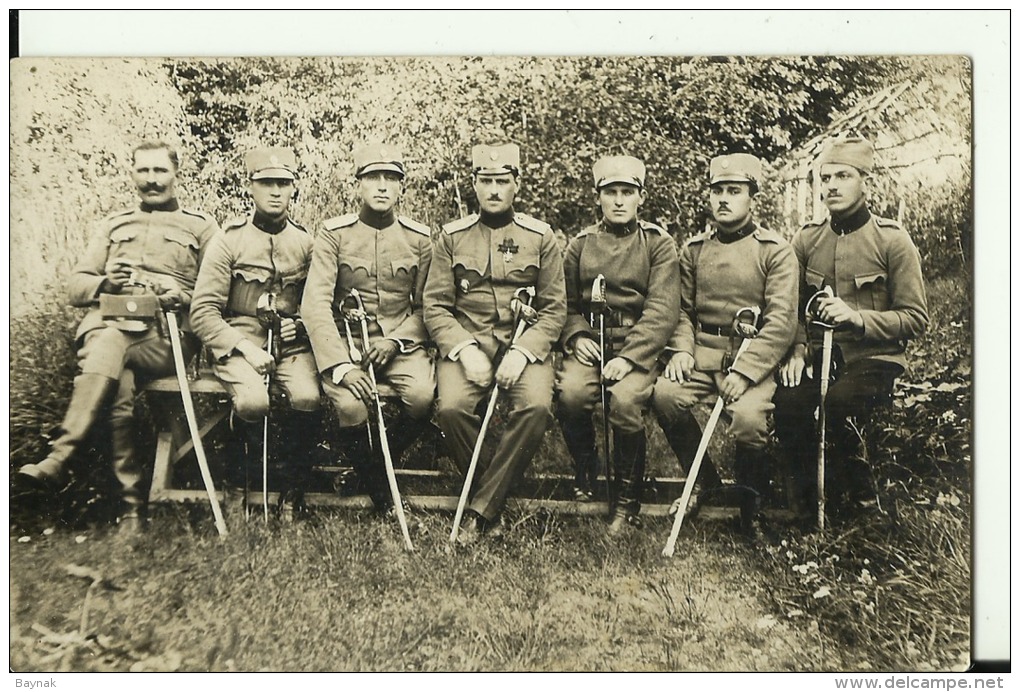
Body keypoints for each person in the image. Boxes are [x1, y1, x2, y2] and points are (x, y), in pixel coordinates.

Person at [13, 140, 219, 534]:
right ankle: (131, 512)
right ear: (133, 174)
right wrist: (107, 281)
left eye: (160, 171)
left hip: (163, 337)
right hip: (111, 337)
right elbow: (76, 286)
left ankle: (61, 456)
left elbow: (215, 294)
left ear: (176, 174)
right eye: (143, 171)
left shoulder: (200, 226)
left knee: (110, 344)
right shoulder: (113, 225)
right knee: (118, 388)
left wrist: (179, 295)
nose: (152, 180)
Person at [774, 137, 928, 521]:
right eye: (825, 178)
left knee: (841, 403)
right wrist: (796, 348)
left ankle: (860, 506)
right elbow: (790, 307)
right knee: (789, 401)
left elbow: (915, 318)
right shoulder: (807, 240)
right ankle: (805, 508)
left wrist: (857, 318)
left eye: (843, 175)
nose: (832, 186)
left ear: (866, 183)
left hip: (875, 357)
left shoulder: (893, 241)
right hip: (820, 354)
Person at [423, 142, 566, 543]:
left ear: (516, 185)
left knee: (536, 408)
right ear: (474, 185)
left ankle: (482, 508)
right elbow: (434, 306)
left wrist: (522, 353)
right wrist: (465, 351)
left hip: (524, 345)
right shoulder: (451, 238)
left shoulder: (540, 237)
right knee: (451, 409)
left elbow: (555, 309)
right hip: (467, 345)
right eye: (485, 181)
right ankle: (494, 500)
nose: (494, 190)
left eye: (502, 181)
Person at [652, 153, 798, 538]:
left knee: (749, 421)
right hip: (704, 353)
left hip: (752, 359)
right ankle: (705, 481)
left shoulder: (774, 251)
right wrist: (682, 349)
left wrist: (746, 373)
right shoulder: (695, 250)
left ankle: (751, 507)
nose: (723, 199)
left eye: (735, 191)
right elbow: (680, 309)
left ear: (753, 197)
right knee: (665, 395)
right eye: (717, 190)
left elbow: (782, 322)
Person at [301, 143, 435, 514]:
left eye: (390, 178)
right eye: (372, 177)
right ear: (358, 184)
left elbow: (428, 307)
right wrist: (341, 366)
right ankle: (386, 497)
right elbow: (314, 304)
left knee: (423, 395)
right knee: (350, 403)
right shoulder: (335, 234)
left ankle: (363, 471)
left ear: (401, 187)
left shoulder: (419, 238)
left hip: (399, 342)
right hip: (345, 344)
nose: (381, 186)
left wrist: (395, 341)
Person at [189, 147, 321, 519]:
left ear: (294, 188)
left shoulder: (306, 243)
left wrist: (302, 325)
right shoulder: (228, 240)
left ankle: (293, 493)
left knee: (308, 398)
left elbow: (319, 303)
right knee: (252, 402)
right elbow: (203, 312)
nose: (275, 191)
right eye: (266, 183)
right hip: (239, 340)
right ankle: (236, 484)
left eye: (283, 183)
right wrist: (246, 348)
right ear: (251, 187)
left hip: (292, 345)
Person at [556, 155, 681, 534]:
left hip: (636, 346)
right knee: (571, 393)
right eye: (611, 192)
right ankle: (586, 462)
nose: (619, 200)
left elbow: (662, 310)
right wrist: (577, 335)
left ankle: (627, 501)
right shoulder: (580, 245)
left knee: (625, 402)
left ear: (641, 197)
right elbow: (562, 302)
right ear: (599, 198)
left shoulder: (658, 245)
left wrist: (629, 359)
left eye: (628, 192)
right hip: (592, 344)